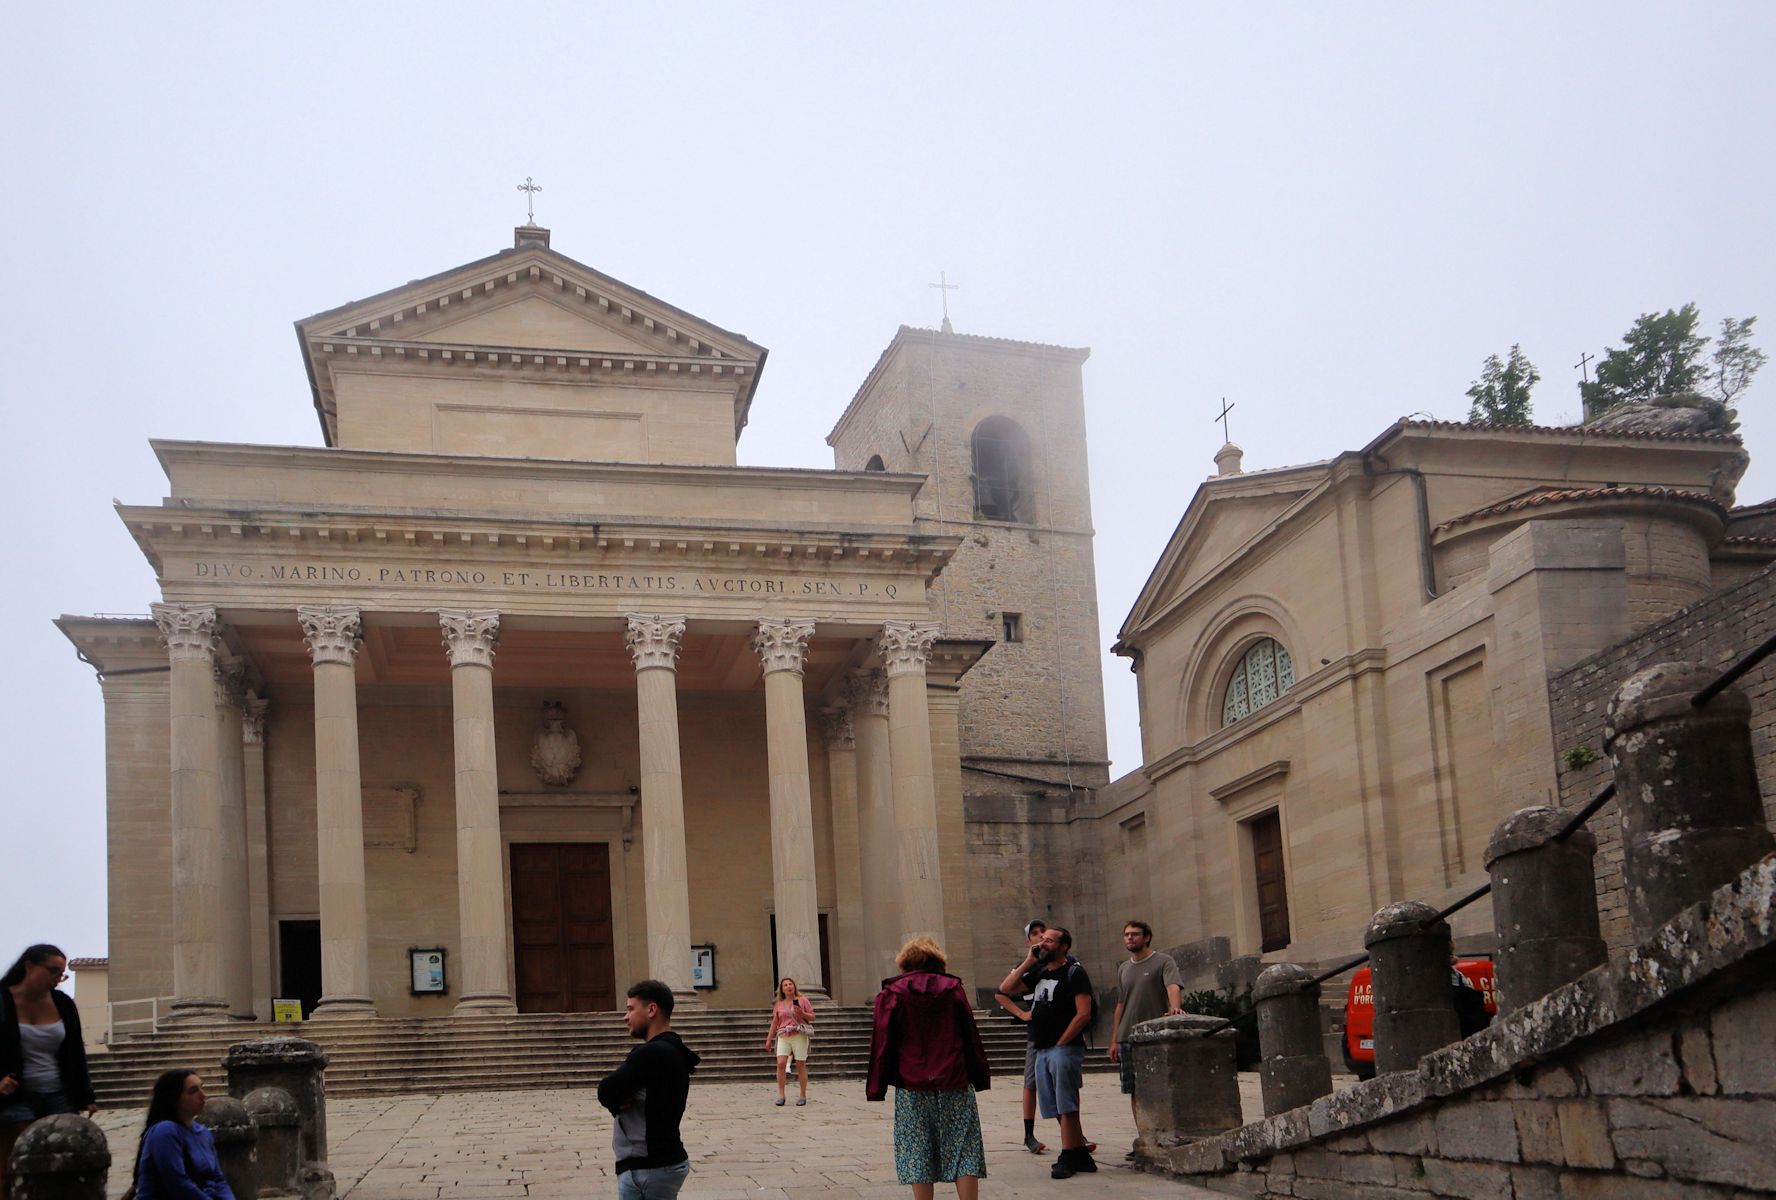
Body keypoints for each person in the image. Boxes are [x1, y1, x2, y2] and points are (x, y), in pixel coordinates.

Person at [866, 936, 991, 1200]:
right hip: (955, 1078)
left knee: (917, 1147)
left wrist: (877, 1086)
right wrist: (978, 1075)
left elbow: (882, 1040)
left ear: (904, 962)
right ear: (938, 961)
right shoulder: (954, 988)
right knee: (965, 1147)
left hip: (912, 1082)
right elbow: (970, 1034)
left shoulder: (892, 993)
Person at [997, 927, 1096, 1179]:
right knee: (1053, 1104)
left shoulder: (1075, 972)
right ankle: (1081, 1153)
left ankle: (1068, 1155)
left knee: (1066, 1102)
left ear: (1064, 946)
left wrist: (1062, 1042)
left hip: (1064, 1048)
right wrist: (1029, 960)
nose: (1043, 944)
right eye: (1042, 940)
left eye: (1049, 941)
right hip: (1042, 1047)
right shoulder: (1039, 971)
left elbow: (1084, 1013)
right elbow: (1006, 988)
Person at [1, 944, 98, 1197]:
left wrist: (86, 1095)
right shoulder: (2, 1000)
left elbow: (76, 1050)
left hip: (58, 1093)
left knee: (62, 1156)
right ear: (29, 966)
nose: (58, 979)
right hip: (14, 1097)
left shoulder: (63, 1003)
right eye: (53, 971)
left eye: (62, 974)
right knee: (17, 1161)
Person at [598, 980, 701, 1200]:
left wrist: (616, 1098)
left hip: (648, 1165)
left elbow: (606, 1091)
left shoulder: (650, 1054)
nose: (626, 1017)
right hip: (666, 1159)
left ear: (652, 1009)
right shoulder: (675, 1048)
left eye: (630, 1009)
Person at [1107, 920, 1183, 1137]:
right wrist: (1114, 1040)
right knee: (1134, 1090)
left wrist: (1175, 1008)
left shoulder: (1163, 961)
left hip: (1152, 1035)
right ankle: (1144, 1137)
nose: (1130, 938)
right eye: (1126, 934)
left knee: (1160, 1086)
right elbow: (1120, 1005)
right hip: (1126, 1037)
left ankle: (1164, 1132)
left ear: (1147, 937)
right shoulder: (1123, 968)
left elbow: (1173, 986)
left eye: (1135, 934)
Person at [129, 1068, 233, 1200]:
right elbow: (177, 1183)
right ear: (174, 1098)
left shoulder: (203, 1132)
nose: (203, 1096)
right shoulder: (165, 1131)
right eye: (193, 1091)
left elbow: (218, 1178)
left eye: (201, 1088)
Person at [991, 919, 1050, 1154]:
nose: (1040, 936)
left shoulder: (1061, 962)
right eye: (1035, 933)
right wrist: (1021, 1014)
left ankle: (1075, 1132)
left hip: (1059, 1032)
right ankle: (1029, 1134)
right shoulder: (1026, 967)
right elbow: (1001, 993)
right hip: (1037, 1033)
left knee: (1063, 1084)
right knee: (1030, 1083)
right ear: (1029, 940)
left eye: (1043, 931)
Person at [764, 976, 816, 1106]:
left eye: (790, 984)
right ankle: (781, 1095)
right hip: (783, 1035)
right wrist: (769, 1039)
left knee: (800, 1064)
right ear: (782, 989)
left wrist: (802, 1014)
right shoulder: (779, 1004)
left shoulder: (802, 1000)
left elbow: (813, 1016)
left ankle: (802, 1095)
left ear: (794, 986)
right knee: (781, 1064)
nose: (789, 986)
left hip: (798, 1034)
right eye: (785, 985)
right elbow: (775, 1022)